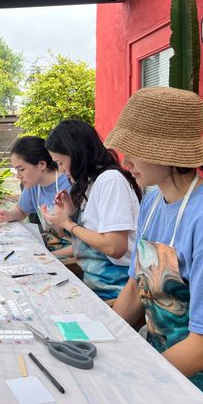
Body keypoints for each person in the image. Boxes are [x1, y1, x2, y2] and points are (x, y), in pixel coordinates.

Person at [105, 87, 203, 398]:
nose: (125, 161)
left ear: (168, 152)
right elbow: (135, 288)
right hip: (156, 363)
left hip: (202, 384)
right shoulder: (152, 202)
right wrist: (102, 342)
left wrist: (137, 382)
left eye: (135, 149)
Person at [41, 119, 142, 300]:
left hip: (117, 288)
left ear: (77, 153)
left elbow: (115, 246)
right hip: (94, 284)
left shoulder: (110, 180)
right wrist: (70, 212)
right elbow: (92, 235)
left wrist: (68, 223)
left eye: (61, 162)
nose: (61, 170)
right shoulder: (92, 182)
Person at [0, 136, 70, 248]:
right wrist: (8, 214)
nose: (18, 176)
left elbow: (84, 244)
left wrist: (50, 257)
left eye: (21, 169)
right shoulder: (33, 185)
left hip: (74, 257)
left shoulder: (67, 184)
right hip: (51, 248)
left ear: (42, 164)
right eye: (16, 170)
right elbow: (21, 210)